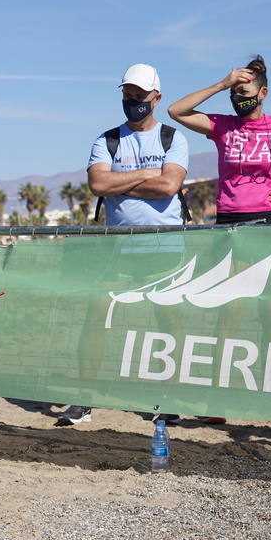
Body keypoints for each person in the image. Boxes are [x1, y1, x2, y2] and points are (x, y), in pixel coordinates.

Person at [61, 63, 188, 427]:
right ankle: (84, 398)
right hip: (116, 246)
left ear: (156, 98)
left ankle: (167, 398)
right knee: (97, 318)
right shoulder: (107, 140)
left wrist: (121, 180)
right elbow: (98, 186)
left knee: (169, 324)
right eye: (128, 94)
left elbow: (169, 187)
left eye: (140, 95)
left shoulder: (172, 138)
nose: (133, 101)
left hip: (166, 247)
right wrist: (150, 174)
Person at [168, 56, 271, 224]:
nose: (237, 97)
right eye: (233, 93)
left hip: (270, 218)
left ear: (263, 93)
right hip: (228, 219)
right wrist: (222, 85)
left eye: (244, 92)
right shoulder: (222, 125)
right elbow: (176, 111)